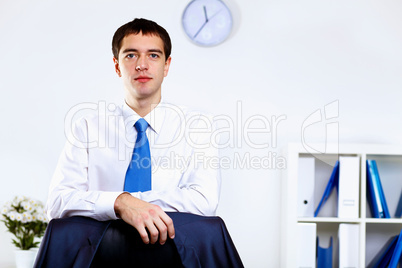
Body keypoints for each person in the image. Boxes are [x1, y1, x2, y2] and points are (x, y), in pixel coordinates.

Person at [42, 18, 242, 268]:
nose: (142, 65)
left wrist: (136, 205)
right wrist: (120, 204)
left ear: (167, 65)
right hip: (101, 251)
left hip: (174, 250)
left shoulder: (197, 126)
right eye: (131, 55)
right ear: (117, 66)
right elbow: (58, 202)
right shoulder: (87, 126)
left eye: (154, 55)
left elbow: (203, 199)